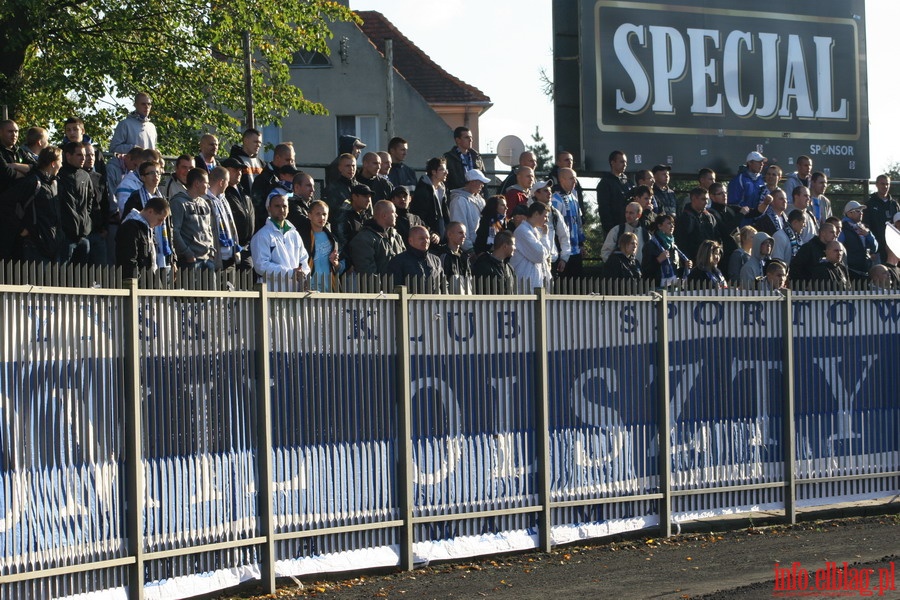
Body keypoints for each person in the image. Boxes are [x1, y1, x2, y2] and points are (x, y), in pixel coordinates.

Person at [9, 146, 62, 263]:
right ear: (53, 163)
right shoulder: (33, 182)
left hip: (51, 242)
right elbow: (9, 204)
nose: (61, 165)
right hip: (34, 243)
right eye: (60, 162)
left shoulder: (53, 183)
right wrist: (22, 229)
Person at [122, 160, 175, 273]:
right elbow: (128, 221)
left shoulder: (163, 199)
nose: (155, 176)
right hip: (146, 250)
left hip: (162, 253)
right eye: (151, 173)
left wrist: (173, 259)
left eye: (157, 172)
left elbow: (169, 228)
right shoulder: (135, 197)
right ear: (142, 177)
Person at [250, 194, 310, 291]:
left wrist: (305, 275)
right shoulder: (262, 235)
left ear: (289, 209)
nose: (281, 209)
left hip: (294, 293)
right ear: (269, 208)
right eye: (277, 206)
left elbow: (304, 260)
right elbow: (261, 266)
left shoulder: (294, 234)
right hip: (271, 293)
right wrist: (291, 273)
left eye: (284, 206)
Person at [170, 168, 216, 272]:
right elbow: (175, 231)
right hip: (190, 261)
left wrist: (211, 252)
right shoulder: (179, 202)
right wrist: (188, 253)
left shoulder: (204, 203)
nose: (208, 186)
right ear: (196, 183)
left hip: (207, 259)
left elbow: (209, 229)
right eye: (206, 183)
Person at [57, 141, 95, 264]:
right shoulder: (59, 175)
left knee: (81, 276)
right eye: (79, 155)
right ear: (68, 156)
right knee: (60, 274)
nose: (83, 158)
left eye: (84, 155)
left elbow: (90, 201)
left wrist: (85, 220)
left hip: (83, 235)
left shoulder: (85, 176)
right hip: (65, 235)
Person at [116, 197, 170, 279]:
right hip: (139, 283)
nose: (160, 224)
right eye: (160, 219)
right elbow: (128, 259)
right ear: (150, 211)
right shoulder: (131, 227)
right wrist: (138, 281)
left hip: (147, 281)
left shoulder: (147, 228)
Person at [348, 199, 405, 275]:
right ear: (384, 215)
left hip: (398, 286)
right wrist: (383, 286)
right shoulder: (363, 239)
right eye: (393, 212)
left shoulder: (396, 236)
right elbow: (367, 273)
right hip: (379, 286)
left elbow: (406, 262)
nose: (396, 215)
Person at [298, 200, 344, 291]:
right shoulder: (301, 237)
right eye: (318, 214)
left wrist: (336, 263)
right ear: (309, 215)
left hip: (329, 289)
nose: (322, 217)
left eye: (324, 214)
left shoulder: (333, 239)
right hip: (309, 288)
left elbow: (340, 268)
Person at [205, 166, 242, 278]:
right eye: (227, 181)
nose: (228, 184)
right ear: (221, 182)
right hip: (215, 258)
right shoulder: (205, 199)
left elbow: (231, 226)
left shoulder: (224, 199)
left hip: (230, 256)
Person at [388, 225, 447, 293]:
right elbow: (395, 287)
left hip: (435, 303)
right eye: (421, 238)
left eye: (428, 238)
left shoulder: (436, 260)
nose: (426, 241)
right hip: (410, 302)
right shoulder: (398, 261)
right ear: (410, 241)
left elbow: (444, 284)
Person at [221, 157, 255, 270]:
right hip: (232, 247)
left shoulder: (243, 191)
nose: (239, 172)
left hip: (247, 246)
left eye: (240, 170)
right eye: (235, 169)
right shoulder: (223, 194)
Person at [251, 142, 295, 228]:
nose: (290, 164)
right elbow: (259, 211)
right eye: (287, 160)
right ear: (277, 158)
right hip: (268, 230)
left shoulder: (292, 177)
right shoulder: (263, 180)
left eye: (292, 160)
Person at [510, 202, 553, 291]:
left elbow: (545, 256)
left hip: (535, 283)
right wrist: (545, 236)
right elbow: (540, 256)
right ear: (536, 214)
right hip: (525, 284)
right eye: (545, 216)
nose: (547, 220)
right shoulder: (522, 231)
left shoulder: (534, 231)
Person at [551, 167, 585, 276]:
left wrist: (581, 244)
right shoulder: (555, 199)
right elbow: (554, 227)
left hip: (576, 251)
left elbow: (578, 223)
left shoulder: (574, 198)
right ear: (562, 180)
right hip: (563, 252)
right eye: (571, 178)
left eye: (575, 178)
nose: (574, 181)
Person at [641, 214, 691, 287]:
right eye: (669, 223)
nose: (672, 226)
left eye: (673, 223)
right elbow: (645, 271)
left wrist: (685, 266)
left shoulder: (673, 246)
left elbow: (675, 270)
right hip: (656, 287)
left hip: (672, 287)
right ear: (659, 226)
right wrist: (658, 260)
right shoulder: (651, 245)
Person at [675, 186, 720, 262]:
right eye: (703, 199)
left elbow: (717, 237)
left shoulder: (710, 217)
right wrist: (686, 260)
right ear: (693, 199)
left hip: (710, 259)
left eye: (707, 199)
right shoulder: (685, 218)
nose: (706, 202)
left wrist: (718, 252)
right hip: (693, 260)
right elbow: (681, 242)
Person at [449, 169, 488, 253]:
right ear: (472, 182)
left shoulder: (481, 200)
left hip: (479, 246)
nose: (482, 185)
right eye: (480, 182)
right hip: (467, 250)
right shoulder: (458, 201)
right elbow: (459, 226)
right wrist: (469, 249)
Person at [410, 157, 449, 238]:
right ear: (433, 172)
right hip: (429, 237)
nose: (446, 172)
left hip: (441, 236)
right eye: (442, 169)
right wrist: (431, 233)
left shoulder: (442, 189)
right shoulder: (423, 191)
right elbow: (420, 217)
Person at [864, 174, 900, 262]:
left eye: (887, 184)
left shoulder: (894, 205)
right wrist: (870, 248)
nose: (885, 186)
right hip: (877, 248)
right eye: (882, 184)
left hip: (893, 247)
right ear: (876, 185)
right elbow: (866, 226)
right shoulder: (870, 204)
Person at [839, 200, 878, 280]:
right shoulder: (842, 228)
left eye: (862, 211)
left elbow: (875, 248)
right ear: (849, 213)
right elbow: (839, 247)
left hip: (865, 270)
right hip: (850, 271)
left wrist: (868, 235)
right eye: (858, 211)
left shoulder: (863, 227)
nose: (861, 213)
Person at [596, 150, 632, 234]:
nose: (625, 164)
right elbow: (604, 209)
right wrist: (610, 229)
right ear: (613, 162)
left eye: (626, 162)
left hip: (629, 227)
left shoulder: (629, 183)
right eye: (622, 162)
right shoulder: (605, 183)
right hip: (614, 228)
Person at [333, 183, 374, 256]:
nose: (368, 200)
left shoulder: (367, 215)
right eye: (365, 196)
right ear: (354, 197)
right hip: (349, 262)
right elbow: (342, 243)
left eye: (369, 197)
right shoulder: (342, 216)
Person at [443, 126, 485, 191]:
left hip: (476, 194)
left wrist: (485, 196)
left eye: (471, 137)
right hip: (457, 194)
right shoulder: (449, 157)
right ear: (458, 140)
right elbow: (446, 180)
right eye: (467, 137)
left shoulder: (477, 157)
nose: (471, 140)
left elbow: (483, 177)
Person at [228, 128, 265, 193]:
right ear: (245, 141)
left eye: (260, 142)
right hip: (243, 201)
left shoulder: (261, 163)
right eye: (255, 142)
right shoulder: (235, 162)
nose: (258, 145)